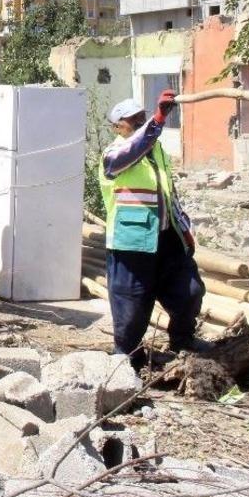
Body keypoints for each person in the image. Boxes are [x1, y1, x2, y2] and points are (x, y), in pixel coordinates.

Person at [99, 91, 211, 364]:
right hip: (132, 241)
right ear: (117, 127)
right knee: (132, 306)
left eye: (141, 117)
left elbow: (167, 194)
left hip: (166, 238)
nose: (139, 123)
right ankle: (126, 359)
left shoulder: (156, 150)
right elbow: (136, 148)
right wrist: (158, 120)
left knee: (190, 292)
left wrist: (183, 229)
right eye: (132, 120)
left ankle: (182, 338)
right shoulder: (115, 153)